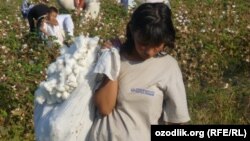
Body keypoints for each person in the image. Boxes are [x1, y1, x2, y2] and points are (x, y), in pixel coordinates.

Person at [89, 3, 190, 141]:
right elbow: (104, 108)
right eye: (143, 43)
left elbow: (177, 121)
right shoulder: (113, 57)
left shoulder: (169, 67)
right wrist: (113, 60)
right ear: (132, 30)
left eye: (157, 45)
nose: (149, 52)